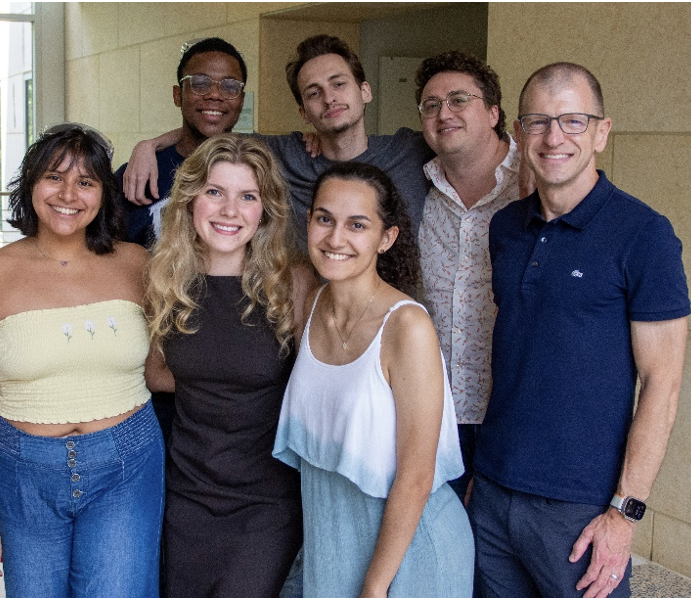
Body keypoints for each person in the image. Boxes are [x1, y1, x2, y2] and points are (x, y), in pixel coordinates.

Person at [471, 63, 690, 598]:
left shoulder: (645, 234)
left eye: (573, 121)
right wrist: (483, 473)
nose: (554, 138)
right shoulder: (505, 228)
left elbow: (662, 383)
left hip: (581, 508)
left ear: (601, 132)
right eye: (539, 122)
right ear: (519, 134)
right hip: (494, 491)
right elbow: (515, 353)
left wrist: (625, 512)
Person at [0, 124, 167, 597]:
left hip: (127, 464)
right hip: (23, 470)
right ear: (30, 184)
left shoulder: (138, 265)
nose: (68, 194)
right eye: (54, 177)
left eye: (85, 181)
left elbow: (167, 365)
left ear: (103, 194)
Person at [273, 162, 474, 597]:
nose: (335, 238)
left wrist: (375, 586)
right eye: (325, 219)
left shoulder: (407, 327)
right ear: (308, 221)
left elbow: (417, 475)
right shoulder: (310, 301)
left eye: (357, 225)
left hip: (409, 553)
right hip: (332, 544)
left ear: (387, 237)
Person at [144, 134, 316, 598]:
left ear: (265, 210)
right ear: (190, 199)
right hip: (187, 493)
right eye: (215, 192)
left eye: (248, 197)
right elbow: (155, 374)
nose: (229, 210)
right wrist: (218, 382)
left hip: (267, 499)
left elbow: (316, 387)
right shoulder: (166, 278)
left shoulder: (293, 283)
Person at [123, 34, 433, 250]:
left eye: (339, 84)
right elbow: (213, 129)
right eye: (314, 92)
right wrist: (149, 146)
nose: (329, 98)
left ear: (365, 91)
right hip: (308, 318)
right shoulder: (286, 155)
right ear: (303, 112)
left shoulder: (410, 150)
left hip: (394, 318)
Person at [118, 37, 248, 444]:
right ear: (178, 95)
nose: (215, 95)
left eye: (230, 86)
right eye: (200, 83)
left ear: (242, 99)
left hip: (234, 379)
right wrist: (149, 147)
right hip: (152, 382)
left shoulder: (255, 165)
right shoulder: (140, 173)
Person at [414, 50, 522, 504]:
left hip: (513, 414)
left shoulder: (534, 183)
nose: (444, 113)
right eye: (431, 105)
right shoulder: (415, 183)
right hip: (432, 414)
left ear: (493, 112)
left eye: (459, 99)